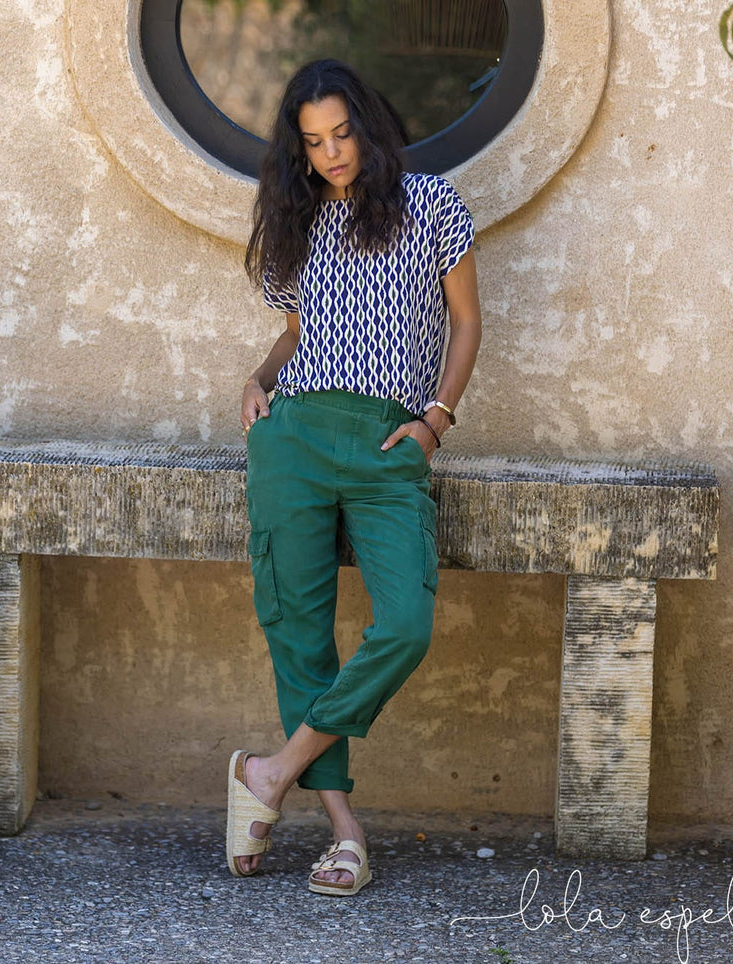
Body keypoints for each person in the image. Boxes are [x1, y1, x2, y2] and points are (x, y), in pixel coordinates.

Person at [228, 59, 483, 896]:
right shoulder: (298, 223)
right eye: (312, 143)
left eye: (341, 134)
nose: (331, 154)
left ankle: (271, 771)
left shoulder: (431, 204)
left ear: (366, 128)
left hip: (386, 444)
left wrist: (434, 423)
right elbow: (298, 334)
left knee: (404, 622)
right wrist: (257, 380)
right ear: (296, 152)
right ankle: (343, 835)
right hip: (294, 437)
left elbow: (466, 321)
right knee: (298, 631)